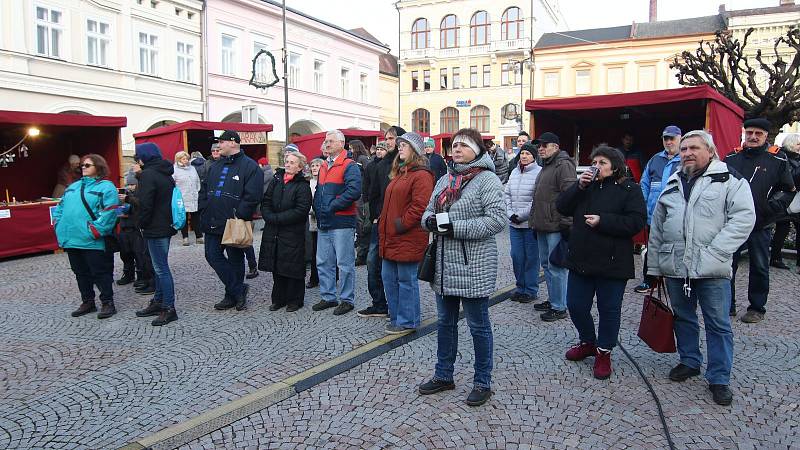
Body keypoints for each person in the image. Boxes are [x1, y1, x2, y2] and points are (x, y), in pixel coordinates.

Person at [647, 130, 755, 406]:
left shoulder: (728, 179)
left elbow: (743, 218)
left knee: (718, 324)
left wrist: (718, 251)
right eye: (683, 149)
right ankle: (690, 360)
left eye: (693, 148)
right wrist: (655, 265)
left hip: (712, 267)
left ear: (710, 151)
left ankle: (719, 377)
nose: (687, 153)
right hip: (676, 265)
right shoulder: (673, 181)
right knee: (683, 316)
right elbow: (658, 227)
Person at [418, 128, 506, 407]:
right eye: (454, 145)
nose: (456, 150)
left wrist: (454, 227)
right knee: (445, 323)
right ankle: (444, 375)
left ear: (478, 150)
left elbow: (495, 220)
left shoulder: (487, 180)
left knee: (478, 325)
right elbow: (428, 211)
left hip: (474, 264)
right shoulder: (445, 178)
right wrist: (429, 221)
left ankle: (483, 381)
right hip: (444, 265)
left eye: (464, 146)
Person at [557, 146, 646, 379]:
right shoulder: (584, 187)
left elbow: (636, 222)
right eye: (594, 162)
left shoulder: (630, 189)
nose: (596, 166)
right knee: (575, 305)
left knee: (609, 309)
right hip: (581, 259)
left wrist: (603, 221)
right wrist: (579, 186)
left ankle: (603, 351)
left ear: (615, 166)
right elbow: (562, 207)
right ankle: (587, 341)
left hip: (613, 262)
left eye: (602, 162)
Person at [725, 118, 795, 323]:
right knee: (727, 265)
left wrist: (771, 208)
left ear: (766, 136)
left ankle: (757, 308)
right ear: (744, 134)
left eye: (758, 133)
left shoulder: (778, 159)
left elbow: (788, 190)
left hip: (761, 224)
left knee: (759, 267)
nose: (753, 137)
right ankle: (726, 304)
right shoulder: (731, 157)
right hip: (733, 222)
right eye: (750, 133)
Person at [379, 132, 434, 334]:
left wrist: (399, 225)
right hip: (391, 236)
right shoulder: (401, 172)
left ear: (415, 150)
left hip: (406, 236)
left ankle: (408, 320)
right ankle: (396, 317)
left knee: (405, 280)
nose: (399, 147)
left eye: (404, 145)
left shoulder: (421, 175)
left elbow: (420, 207)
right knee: (389, 278)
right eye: (399, 144)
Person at [202, 130, 263, 312]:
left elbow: (253, 195)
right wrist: (204, 208)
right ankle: (238, 289)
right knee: (212, 255)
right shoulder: (214, 166)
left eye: (221, 142)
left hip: (234, 221)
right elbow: (204, 189)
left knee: (236, 259)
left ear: (233, 143)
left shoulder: (250, 166)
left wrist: (240, 214)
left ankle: (231, 296)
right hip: (212, 219)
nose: (218, 145)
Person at [53, 154, 119, 319]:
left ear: (98, 167)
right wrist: (59, 226)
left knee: (100, 272)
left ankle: (107, 302)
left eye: (87, 165)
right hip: (72, 240)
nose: (83, 167)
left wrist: (95, 231)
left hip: (93, 241)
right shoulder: (72, 187)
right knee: (80, 272)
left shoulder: (106, 187)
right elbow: (60, 208)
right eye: (82, 165)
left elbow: (110, 212)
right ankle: (88, 301)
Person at [311, 130, 362, 315]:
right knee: (323, 262)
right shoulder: (324, 165)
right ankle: (328, 296)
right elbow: (318, 191)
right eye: (326, 141)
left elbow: (354, 191)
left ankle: (347, 299)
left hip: (341, 222)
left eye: (331, 141)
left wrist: (332, 206)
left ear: (341, 143)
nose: (327, 144)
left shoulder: (349, 165)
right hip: (325, 221)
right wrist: (317, 207)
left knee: (344, 263)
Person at [358, 127, 406, 318]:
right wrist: (375, 216)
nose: (387, 141)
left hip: (399, 223)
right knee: (373, 263)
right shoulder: (379, 165)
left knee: (397, 268)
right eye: (386, 138)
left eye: (391, 138)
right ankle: (379, 303)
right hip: (380, 222)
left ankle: (400, 307)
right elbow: (373, 193)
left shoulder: (405, 164)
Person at [529, 132, 576, 321]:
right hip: (543, 225)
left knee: (557, 267)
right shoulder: (546, 166)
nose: (540, 148)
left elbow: (571, 195)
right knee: (547, 265)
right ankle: (553, 299)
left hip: (556, 225)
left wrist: (567, 224)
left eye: (544, 145)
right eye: (539, 145)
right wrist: (534, 221)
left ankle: (559, 306)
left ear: (555, 147)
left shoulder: (563, 165)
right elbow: (539, 197)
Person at [132, 143, 180, 326]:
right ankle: (159, 301)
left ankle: (169, 307)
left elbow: (146, 205)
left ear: (143, 158)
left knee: (161, 268)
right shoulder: (165, 172)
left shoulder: (148, 175)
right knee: (159, 266)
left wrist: (141, 224)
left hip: (155, 227)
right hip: (165, 225)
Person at [259, 151, 312, 312]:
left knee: (292, 267)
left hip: (292, 232)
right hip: (274, 230)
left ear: (300, 167)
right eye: (287, 161)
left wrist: (278, 218)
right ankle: (278, 299)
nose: (288, 164)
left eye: (292, 162)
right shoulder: (276, 180)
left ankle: (295, 300)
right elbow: (266, 200)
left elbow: (301, 210)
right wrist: (268, 215)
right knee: (277, 265)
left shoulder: (302, 185)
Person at [634, 125, 682, 293]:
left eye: (672, 138)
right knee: (652, 248)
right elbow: (644, 184)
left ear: (680, 139)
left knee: (674, 248)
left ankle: (674, 281)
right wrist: (642, 206)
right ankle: (649, 280)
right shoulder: (655, 159)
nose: (668, 142)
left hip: (675, 216)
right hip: (653, 214)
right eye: (665, 138)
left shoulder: (686, 158)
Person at [503, 142, 541, 303]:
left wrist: (522, 215)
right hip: (514, 224)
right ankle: (520, 287)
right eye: (522, 153)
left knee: (531, 257)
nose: (524, 156)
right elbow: (506, 194)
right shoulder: (514, 172)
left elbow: (536, 198)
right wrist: (510, 213)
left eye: (528, 154)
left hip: (529, 223)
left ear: (534, 156)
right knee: (517, 256)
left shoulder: (539, 172)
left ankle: (530, 290)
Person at [116, 168, 155, 292]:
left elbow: (141, 208)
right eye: (128, 184)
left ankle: (141, 276)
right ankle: (128, 273)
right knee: (125, 253)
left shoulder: (139, 194)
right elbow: (118, 210)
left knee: (139, 253)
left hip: (135, 227)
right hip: (124, 227)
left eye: (132, 184)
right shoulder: (124, 195)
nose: (130, 187)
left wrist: (130, 203)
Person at [770, 134, 800, 271]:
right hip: (785, 198)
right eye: (799, 144)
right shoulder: (783, 156)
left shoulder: (794, 158)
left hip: (795, 199)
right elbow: (790, 178)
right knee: (782, 228)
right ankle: (775, 258)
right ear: (792, 144)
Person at [349, 139, 371, 266]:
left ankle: (362, 253)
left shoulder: (362, 159)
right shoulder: (358, 159)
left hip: (361, 195)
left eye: (351, 148)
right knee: (359, 223)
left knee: (361, 223)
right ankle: (362, 252)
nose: (350, 151)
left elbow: (368, 175)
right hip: (358, 194)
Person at [172, 151, 201, 246]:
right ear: (178, 159)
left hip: (192, 196)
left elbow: (197, 180)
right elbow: (172, 183)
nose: (185, 160)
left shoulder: (192, 168)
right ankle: (185, 238)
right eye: (183, 159)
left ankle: (199, 236)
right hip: (182, 197)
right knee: (183, 218)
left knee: (195, 217)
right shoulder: (175, 169)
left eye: (186, 158)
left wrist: (196, 190)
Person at [306, 158, 324, 288]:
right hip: (312, 222)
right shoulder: (309, 183)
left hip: (324, 221)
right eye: (313, 165)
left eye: (317, 165)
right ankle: (314, 278)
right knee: (314, 251)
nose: (314, 168)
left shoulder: (325, 182)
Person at [190, 151, 208, 244]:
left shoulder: (189, 166)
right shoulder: (206, 164)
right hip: (204, 191)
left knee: (195, 214)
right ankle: (204, 229)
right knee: (204, 212)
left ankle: (198, 232)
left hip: (193, 192)